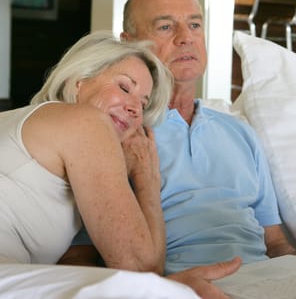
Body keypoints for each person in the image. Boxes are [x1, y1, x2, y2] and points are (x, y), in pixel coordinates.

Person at [62, 0, 296, 298]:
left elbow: (274, 243)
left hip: (264, 281)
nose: (186, 37)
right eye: (165, 26)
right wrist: (156, 289)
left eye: (194, 24)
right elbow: (79, 256)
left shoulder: (240, 132)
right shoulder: (118, 131)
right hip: (180, 286)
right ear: (130, 43)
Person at [0, 31, 173, 275]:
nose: (135, 108)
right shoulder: (86, 121)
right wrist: (147, 177)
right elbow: (141, 267)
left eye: (143, 104)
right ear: (79, 81)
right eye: (124, 87)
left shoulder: (24, 119)